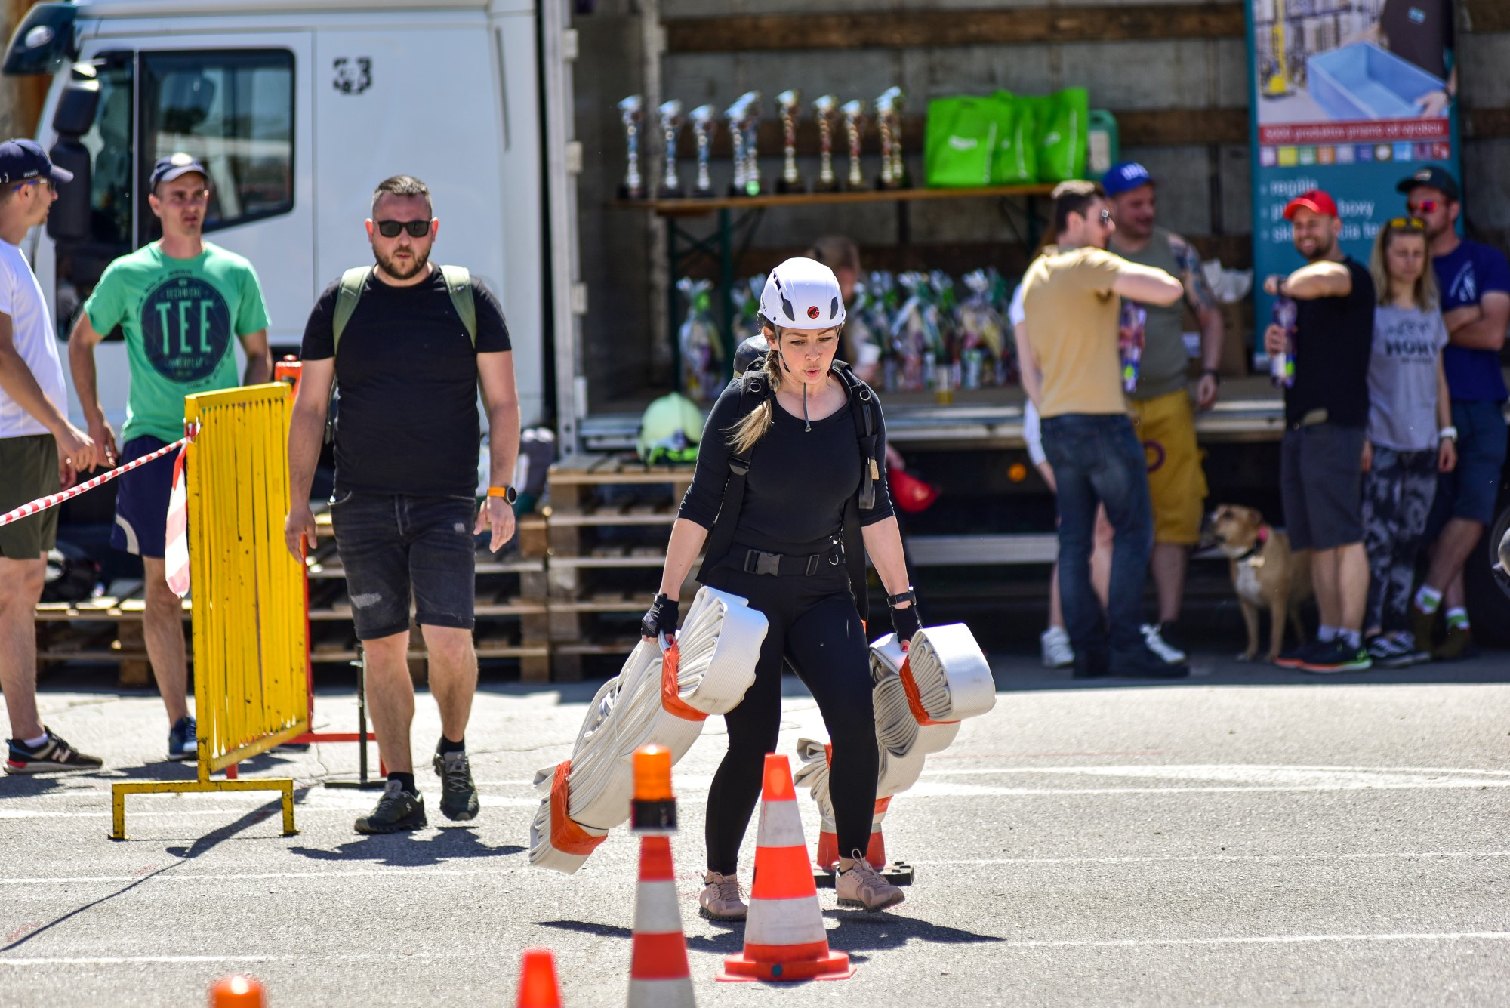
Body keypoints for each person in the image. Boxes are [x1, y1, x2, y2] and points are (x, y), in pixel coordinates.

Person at [642, 256, 916, 916]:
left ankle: (853, 866)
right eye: (798, 341)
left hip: (821, 590)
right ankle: (718, 880)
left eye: (827, 340)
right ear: (771, 336)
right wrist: (667, 598)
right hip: (745, 595)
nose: (814, 355)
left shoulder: (859, 409)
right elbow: (699, 507)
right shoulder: (742, 403)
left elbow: (876, 511)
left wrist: (904, 604)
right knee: (753, 739)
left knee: (857, 725)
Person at [284, 174, 520, 834]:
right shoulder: (342, 302)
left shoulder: (471, 300)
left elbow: (503, 405)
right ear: (371, 233)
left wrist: (499, 492)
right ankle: (399, 786)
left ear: (434, 231)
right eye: (391, 228)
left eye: (416, 227)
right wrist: (295, 502)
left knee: (449, 642)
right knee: (382, 648)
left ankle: (452, 750)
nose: (404, 240)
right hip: (360, 501)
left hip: (445, 500)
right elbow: (308, 409)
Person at [68, 153, 272, 761]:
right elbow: (81, 340)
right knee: (162, 589)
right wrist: (95, 419)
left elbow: (258, 354)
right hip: (155, 445)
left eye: (198, 193)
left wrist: (245, 415)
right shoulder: (128, 273)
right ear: (155, 205)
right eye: (177, 194)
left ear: (208, 201)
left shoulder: (235, 272)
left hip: (221, 443)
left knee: (230, 583)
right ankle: (179, 721)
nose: (189, 203)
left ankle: (237, 711)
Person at [1018, 180, 1188, 679]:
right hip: (1101, 421)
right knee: (1133, 531)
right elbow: (1169, 290)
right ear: (1075, 222)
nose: (1108, 229)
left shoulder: (1035, 275)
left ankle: (1088, 651)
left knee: (1075, 540)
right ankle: (1129, 642)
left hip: (1056, 421)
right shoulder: (1089, 264)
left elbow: (1028, 363)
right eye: (1103, 219)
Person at [0, 139, 104, 774]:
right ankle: (28, 739)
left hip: (24, 440)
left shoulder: (14, 257)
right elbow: (5, 361)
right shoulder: (2, 258)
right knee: (18, 587)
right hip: (16, 440)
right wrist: (64, 431)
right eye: (48, 184)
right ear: (21, 189)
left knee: (23, 585)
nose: (56, 196)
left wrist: (55, 435)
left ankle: (28, 736)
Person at [1103, 161, 1226, 664]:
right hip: (1110, 404)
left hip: (1170, 398)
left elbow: (1210, 314)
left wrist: (1211, 370)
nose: (1147, 211)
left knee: (1175, 515)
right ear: (1108, 206)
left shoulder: (1175, 251)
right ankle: (1118, 625)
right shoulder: (1096, 256)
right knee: (1113, 519)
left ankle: (1170, 624)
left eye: (1151, 201)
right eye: (1135, 204)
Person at [1261, 189, 1376, 673]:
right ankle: (1329, 634)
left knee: (1343, 537)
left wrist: (1285, 283)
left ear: (1336, 227)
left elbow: (1324, 279)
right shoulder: (1299, 296)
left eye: (1314, 223)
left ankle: (1351, 640)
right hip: (1300, 429)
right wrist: (1275, 346)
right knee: (1316, 541)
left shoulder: (1351, 276)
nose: (1305, 233)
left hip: (1335, 426)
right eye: (1297, 225)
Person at [1398, 166, 1510, 660]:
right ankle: (1457, 622)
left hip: (1483, 402)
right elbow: (1405, 334)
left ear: (1452, 210)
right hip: (1423, 406)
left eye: (1428, 205)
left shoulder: (1484, 260)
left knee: (1476, 512)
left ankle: (1425, 605)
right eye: (1412, 206)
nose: (1418, 214)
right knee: (1435, 517)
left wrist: (1439, 327)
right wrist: (1459, 317)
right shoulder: (1410, 266)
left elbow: (1493, 335)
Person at [1359, 217, 1454, 668]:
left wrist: (1446, 431)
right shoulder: (1372, 311)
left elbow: (1438, 377)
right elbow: (1357, 378)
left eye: (1418, 254)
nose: (1410, 262)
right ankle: (1372, 628)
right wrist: (1361, 434)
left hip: (1424, 441)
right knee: (1378, 538)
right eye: (1402, 253)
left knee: (1411, 540)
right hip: (1384, 440)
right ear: (1386, 256)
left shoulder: (1428, 307)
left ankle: (1397, 627)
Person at [1010, 278, 1112, 669]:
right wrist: (1052, 419)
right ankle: (1111, 631)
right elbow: (1030, 368)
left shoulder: (1096, 288)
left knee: (1090, 528)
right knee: (1088, 527)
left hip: (1087, 421)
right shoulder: (1036, 290)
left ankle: (1072, 631)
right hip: (1056, 423)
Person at [1349, 0, 1456, 118]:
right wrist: (1360, 38)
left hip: (1428, 107)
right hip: (1394, 99)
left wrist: (1446, 95)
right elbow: (1386, 25)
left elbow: (1472, 52)